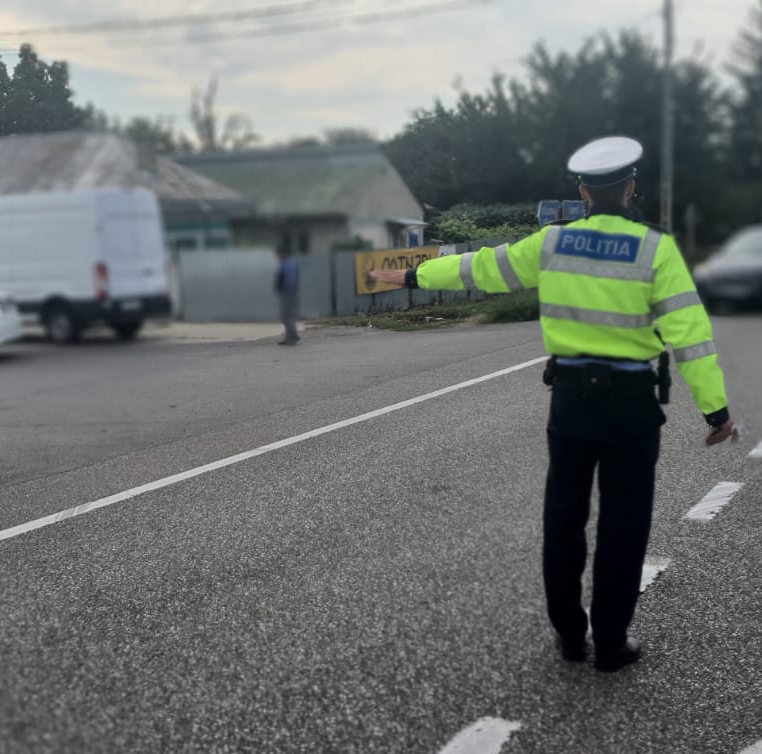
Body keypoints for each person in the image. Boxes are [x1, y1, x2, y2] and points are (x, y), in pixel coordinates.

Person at [368, 136, 737, 672]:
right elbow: (691, 337)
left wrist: (410, 274)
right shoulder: (655, 249)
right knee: (624, 525)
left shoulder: (552, 243)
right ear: (631, 188)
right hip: (632, 408)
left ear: (584, 192)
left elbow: (479, 268)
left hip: (571, 403)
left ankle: (569, 634)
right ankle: (610, 643)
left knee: (563, 519)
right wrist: (715, 411)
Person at [273, 243, 301, 346]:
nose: (277, 257)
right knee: (287, 316)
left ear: (283, 253)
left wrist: (288, 291)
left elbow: (290, 280)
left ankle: (292, 337)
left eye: (278, 255)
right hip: (287, 293)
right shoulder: (286, 263)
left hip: (288, 293)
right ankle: (291, 336)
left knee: (286, 316)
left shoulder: (289, 264)